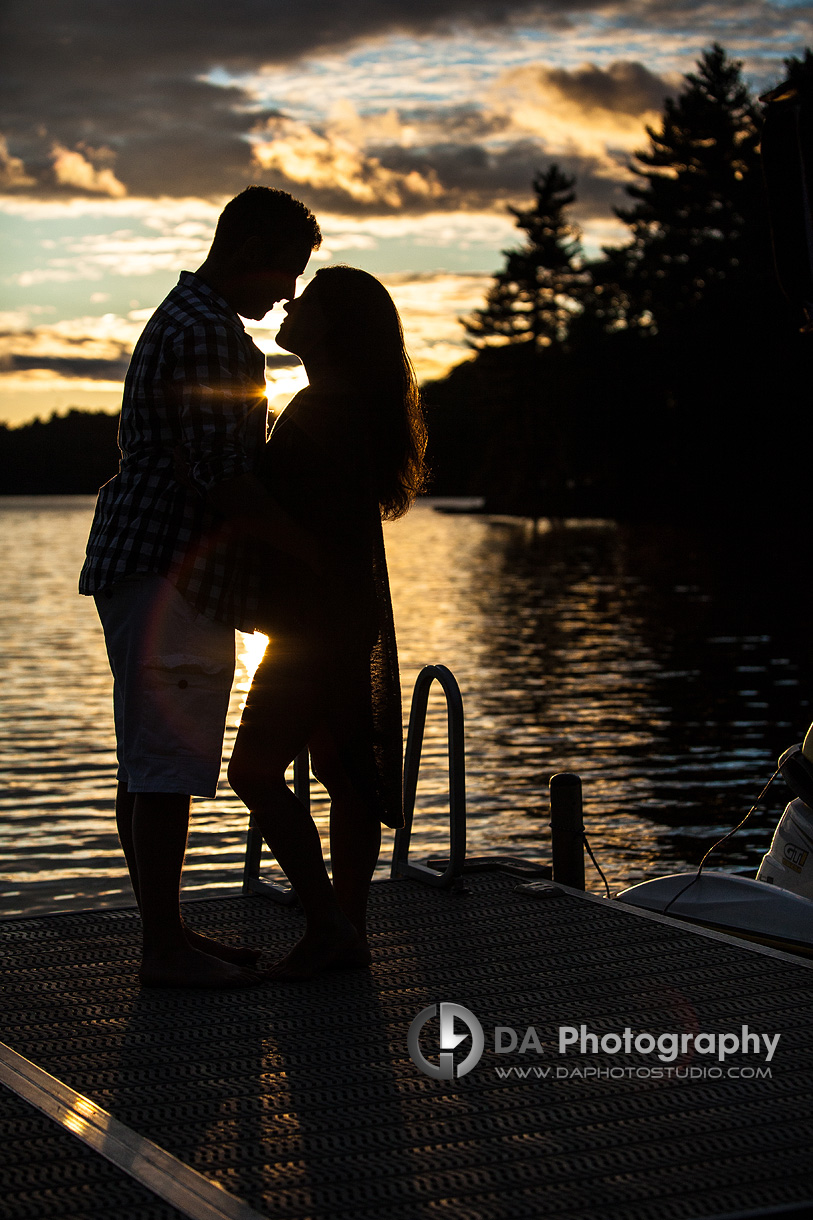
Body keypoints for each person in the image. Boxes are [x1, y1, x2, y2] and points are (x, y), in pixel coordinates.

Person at [79, 186, 322, 988]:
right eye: (286, 271)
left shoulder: (182, 318)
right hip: (168, 573)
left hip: (143, 565)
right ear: (248, 245)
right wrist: (308, 551)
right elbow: (223, 477)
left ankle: (167, 931)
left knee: (148, 763)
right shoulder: (210, 335)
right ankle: (164, 952)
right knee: (168, 765)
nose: (286, 292)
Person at [228, 265, 427, 980]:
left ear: (333, 327)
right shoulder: (342, 406)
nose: (287, 300)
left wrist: (234, 495)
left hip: (317, 628)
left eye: (306, 300)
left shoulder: (322, 411)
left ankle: (329, 925)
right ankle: (349, 933)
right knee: (340, 773)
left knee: (251, 769)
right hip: (338, 621)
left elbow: (298, 528)